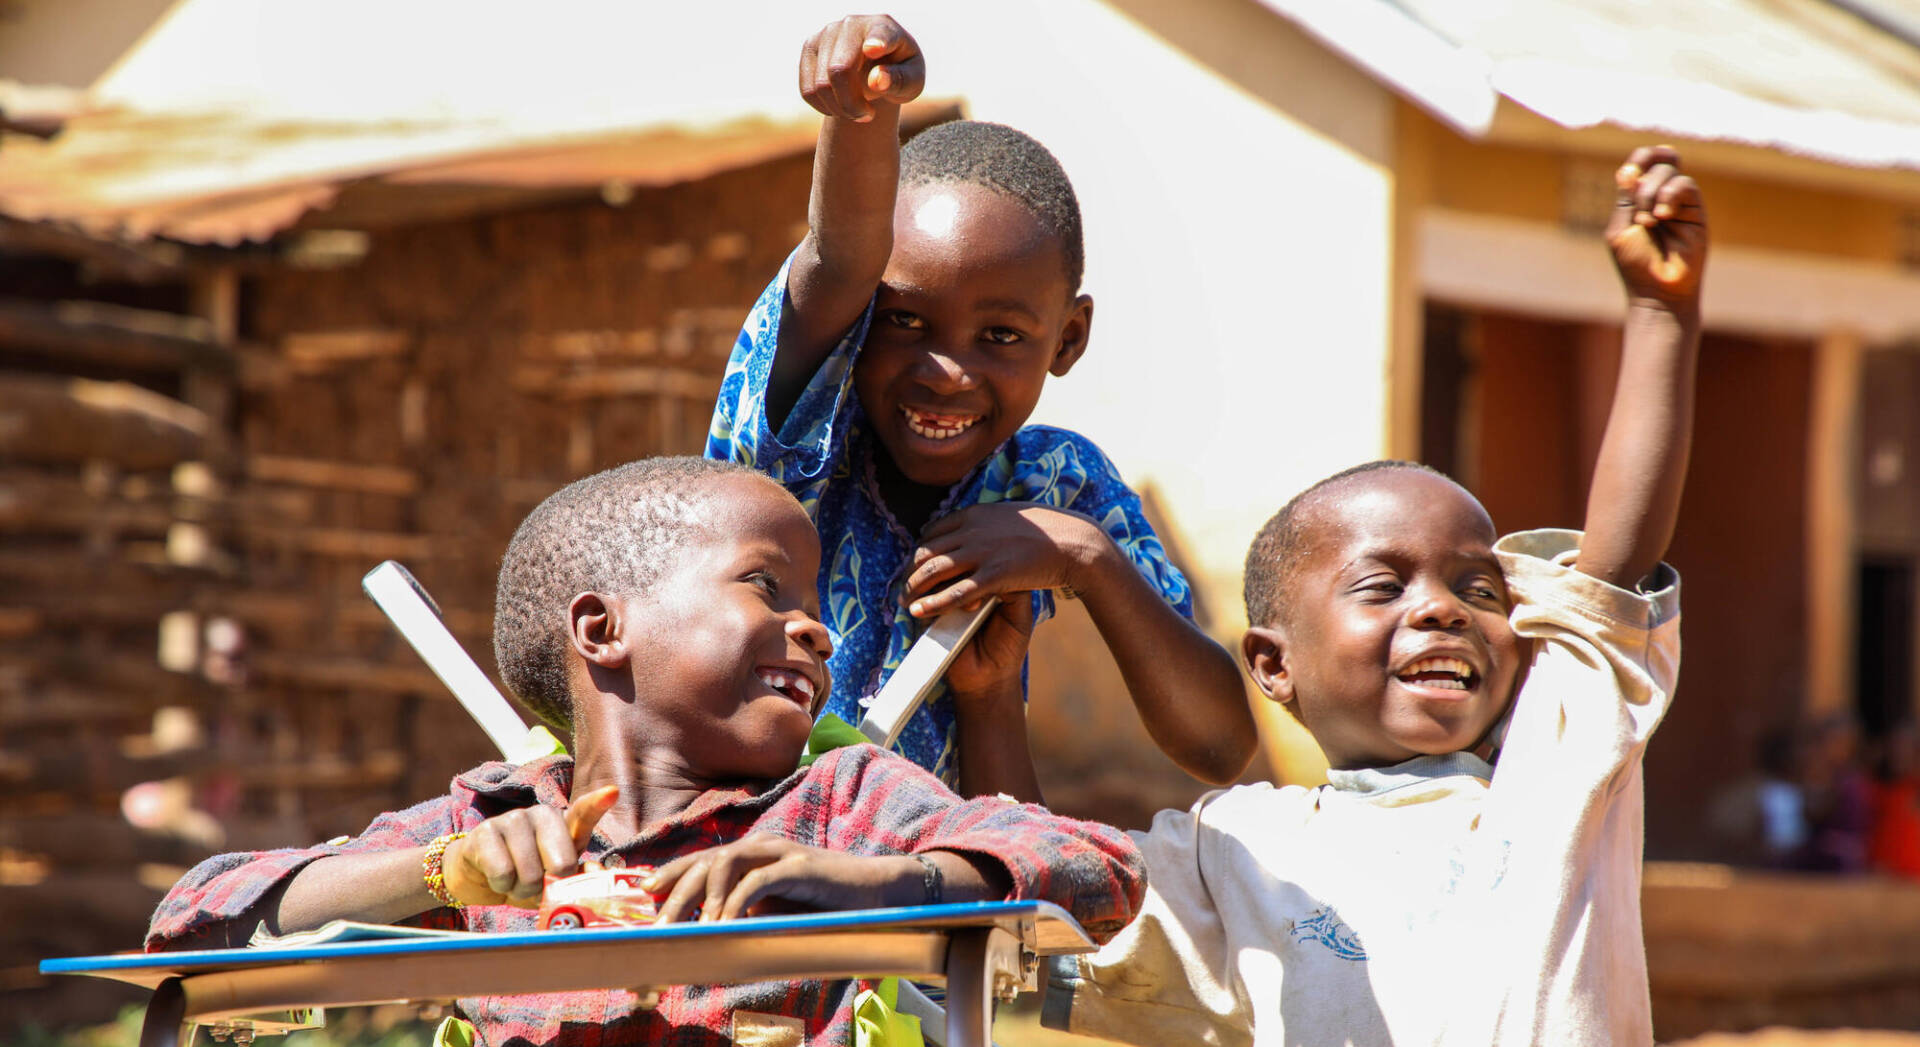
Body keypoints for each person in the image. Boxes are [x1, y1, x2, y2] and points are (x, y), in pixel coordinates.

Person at [1040, 146, 1706, 1046]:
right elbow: (1039, 895)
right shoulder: (1237, 848)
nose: (1442, 609)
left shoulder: (1557, 770)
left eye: (1480, 586)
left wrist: (1661, 317)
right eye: (1384, 586)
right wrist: (988, 680)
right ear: (1274, 665)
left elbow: (1613, 567)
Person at [146, 457, 1145, 1046]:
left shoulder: (843, 804)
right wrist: (438, 874)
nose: (819, 631)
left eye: (813, 606)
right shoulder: (489, 826)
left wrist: (877, 882)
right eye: (769, 587)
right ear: (602, 627)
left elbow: (1097, 869)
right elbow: (192, 922)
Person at [705, 14, 1255, 799]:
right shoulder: (797, 436)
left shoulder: (1055, 485)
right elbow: (840, 256)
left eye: (1000, 334)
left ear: (1067, 340)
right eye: (904, 321)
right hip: (731, 865)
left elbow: (1219, 743)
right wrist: (864, 110)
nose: (946, 372)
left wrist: (1086, 558)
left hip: (918, 891)